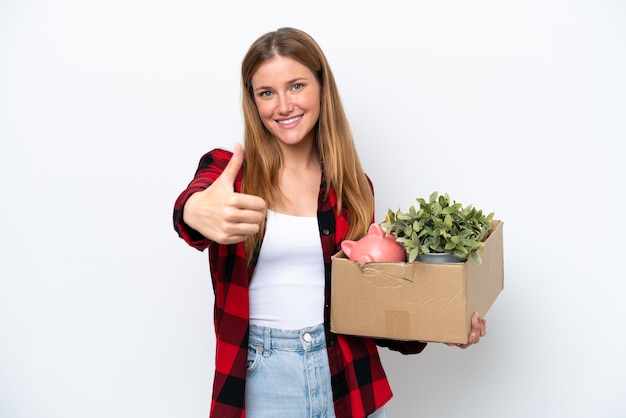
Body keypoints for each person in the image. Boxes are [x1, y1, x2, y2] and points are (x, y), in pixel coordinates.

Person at [173, 27, 487, 418]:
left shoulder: (353, 187)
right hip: (265, 377)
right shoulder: (229, 173)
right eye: (266, 93)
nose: (283, 105)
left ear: (322, 87)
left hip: (349, 378)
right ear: (253, 102)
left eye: (296, 86)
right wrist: (194, 211)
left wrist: (443, 324)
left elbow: (368, 302)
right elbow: (192, 205)